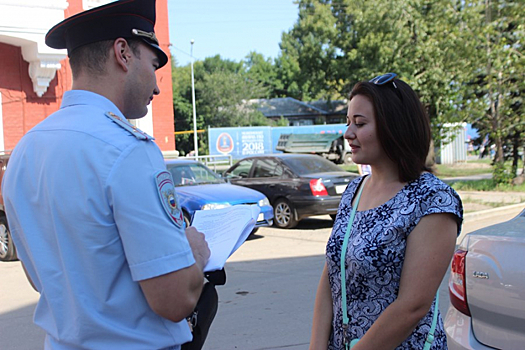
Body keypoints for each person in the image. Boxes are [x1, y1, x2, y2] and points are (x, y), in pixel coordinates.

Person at [2, 1, 210, 349]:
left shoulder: (24, 151)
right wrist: (196, 253)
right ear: (123, 53)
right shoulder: (128, 149)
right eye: (153, 64)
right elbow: (175, 300)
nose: (157, 88)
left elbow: (46, 281)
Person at [310, 73, 463, 349]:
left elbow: (412, 307)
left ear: (394, 127)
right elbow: (333, 273)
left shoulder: (433, 199)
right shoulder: (353, 192)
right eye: (348, 123)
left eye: (360, 123)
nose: (348, 134)